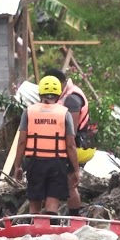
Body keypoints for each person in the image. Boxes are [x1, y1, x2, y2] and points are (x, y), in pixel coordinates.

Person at [13, 76, 81, 220]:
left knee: (34, 203)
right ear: (59, 94)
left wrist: (17, 165)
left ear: (40, 93)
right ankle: (50, 235)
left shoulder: (29, 112)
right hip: (57, 163)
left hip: (35, 162)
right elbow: (70, 145)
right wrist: (76, 169)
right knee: (52, 202)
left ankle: (34, 235)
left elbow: (21, 142)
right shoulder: (65, 114)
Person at [45, 68, 93, 217]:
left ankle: (75, 218)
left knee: (69, 183)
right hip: (72, 144)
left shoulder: (72, 99)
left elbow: (70, 131)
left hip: (78, 146)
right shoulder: (65, 95)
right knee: (61, 181)